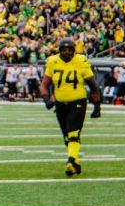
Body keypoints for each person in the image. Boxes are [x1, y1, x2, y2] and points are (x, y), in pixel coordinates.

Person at [40, 37, 101, 177]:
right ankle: (76, 162)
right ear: (59, 50)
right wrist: (46, 99)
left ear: (74, 50)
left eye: (69, 50)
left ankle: (70, 161)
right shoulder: (52, 61)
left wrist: (97, 106)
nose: (67, 52)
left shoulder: (81, 61)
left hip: (77, 102)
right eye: (64, 49)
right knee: (67, 137)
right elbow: (44, 84)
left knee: (73, 133)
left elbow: (93, 85)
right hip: (60, 104)